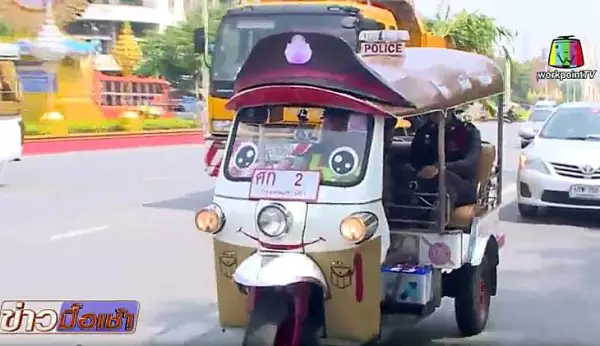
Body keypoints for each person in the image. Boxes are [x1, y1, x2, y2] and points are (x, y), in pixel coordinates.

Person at [402, 110, 481, 211]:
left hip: (461, 183)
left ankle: (437, 219)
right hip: (428, 179)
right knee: (401, 171)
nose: (434, 115)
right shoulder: (426, 130)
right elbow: (415, 157)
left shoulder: (467, 131)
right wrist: (418, 169)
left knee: (443, 177)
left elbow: (470, 164)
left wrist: (439, 168)